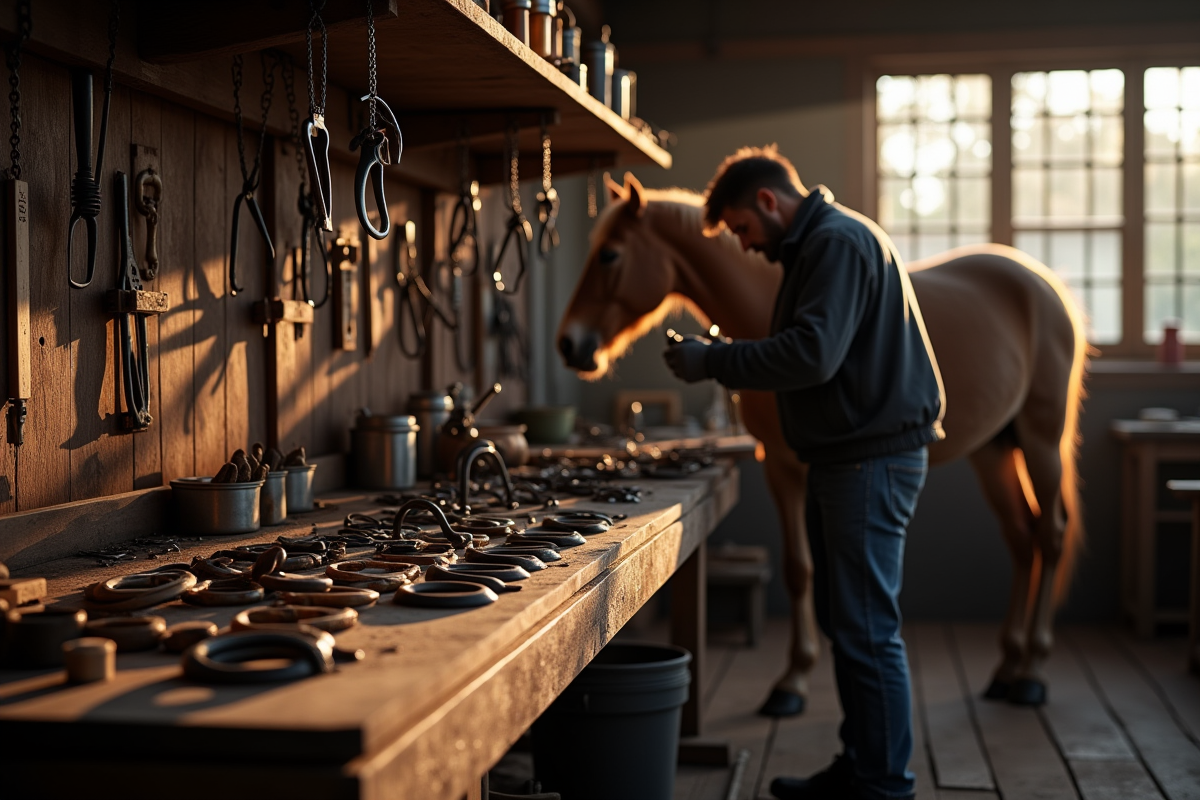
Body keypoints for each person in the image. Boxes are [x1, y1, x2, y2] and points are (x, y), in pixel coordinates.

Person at [663, 145, 945, 800]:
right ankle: (863, 767)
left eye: (741, 229)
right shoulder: (822, 244)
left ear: (768, 201)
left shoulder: (835, 245)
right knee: (850, 622)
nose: (747, 245)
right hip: (850, 455)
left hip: (868, 459)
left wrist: (716, 361)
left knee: (867, 627)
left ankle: (883, 785)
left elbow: (813, 355)